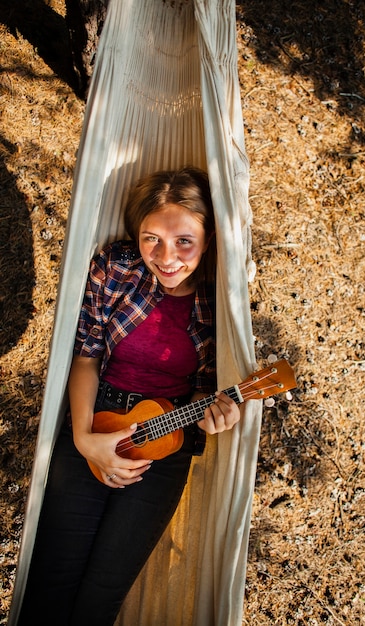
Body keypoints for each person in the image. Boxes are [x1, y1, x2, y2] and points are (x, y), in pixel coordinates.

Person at [17, 167, 241, 626]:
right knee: (49, 583)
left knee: (100, 597)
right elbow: (85, 359)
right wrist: (83, 438)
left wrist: (219, 415)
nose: (166, 257)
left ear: (210, 236)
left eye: (183, 240)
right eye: (151, 239)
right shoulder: (117, 268)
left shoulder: (225, 300)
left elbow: (212, 391)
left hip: (163, 447)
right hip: (95, 422)